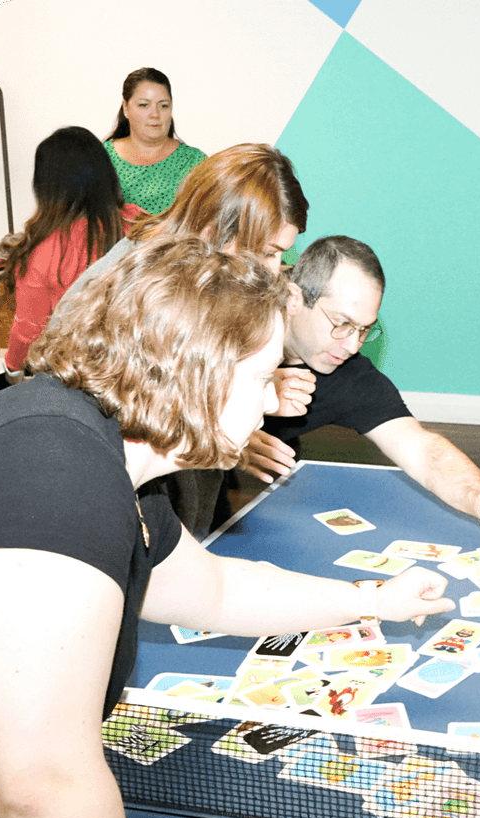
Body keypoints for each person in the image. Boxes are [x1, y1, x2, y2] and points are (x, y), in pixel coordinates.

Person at [0, 237, 455, 818]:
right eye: (262, 378)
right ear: (196, 369)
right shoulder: (60, 473)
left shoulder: (110, 457)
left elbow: (217, 590)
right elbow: (43, 786)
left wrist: (375, 598)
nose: (270, 403)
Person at [240, 235, 480, 581]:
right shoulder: (230, 321)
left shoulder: (348, 376)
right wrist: (230, 434)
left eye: (364, 330)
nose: (352, 345)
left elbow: (423, 450)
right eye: (341, 323)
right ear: (295, 298)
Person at [57, 142, 310, 536]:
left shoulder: (199, 276)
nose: (272, 272)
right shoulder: (134, 292)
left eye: (279, 256)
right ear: (212, 229)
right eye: (265, 253)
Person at [0, 127, 143, 386]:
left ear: (48, 187)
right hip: (135, 370)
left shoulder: (44, 252)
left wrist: (12, 370)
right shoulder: (138, 223)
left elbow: (28, 330)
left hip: (76, 379)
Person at [104, 67, 206, 214]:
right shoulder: (101, 157)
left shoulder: (194, 162)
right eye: (144, 105)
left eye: (163, 105)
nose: (155, 114)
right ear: (125, 108)